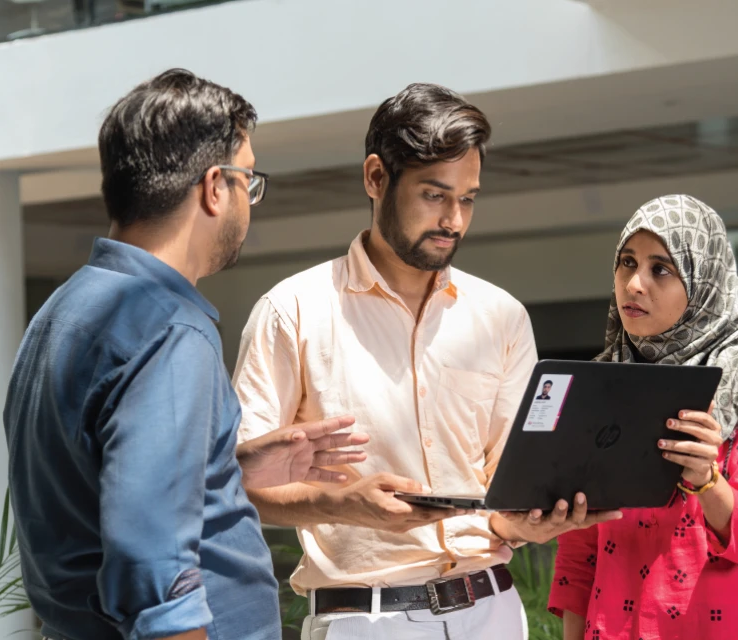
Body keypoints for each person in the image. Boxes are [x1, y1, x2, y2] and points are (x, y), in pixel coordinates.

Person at [232, 82, 618, 640]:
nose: (454, 221)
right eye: (434, 195)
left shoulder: (502, 317)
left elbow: (508, 485)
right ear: (375, 178)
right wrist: (344, 504)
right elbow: (237, 484)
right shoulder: (291, 311)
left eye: (467, 199)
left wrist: (535, 520)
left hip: (493, 611)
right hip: (364, 620)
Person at [3, 69, 369, 640]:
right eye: (249, 179)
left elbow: (97, 485)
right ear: (214, 186)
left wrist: (227, 467)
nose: (250, 200)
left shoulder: (63, 311)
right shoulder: (170, 329)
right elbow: (154, 567)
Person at [548, 195, 738, 639]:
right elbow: (579, 549)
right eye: (627, 263)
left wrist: (706, 480)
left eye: (660, 269)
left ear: (703, 281)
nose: (634, 284)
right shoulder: (600, 382)